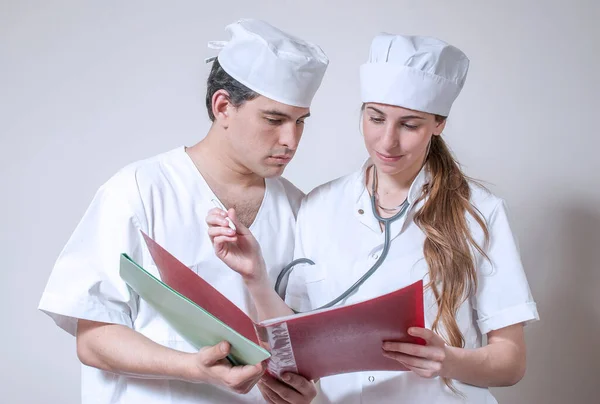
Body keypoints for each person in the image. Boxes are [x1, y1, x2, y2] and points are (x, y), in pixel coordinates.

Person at [207, 33, 539, 403]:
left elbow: (511, 363)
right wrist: (256, 276)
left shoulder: (479, 212)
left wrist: (447, 360)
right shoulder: (319, 206)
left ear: (439, 123)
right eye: (375, 118)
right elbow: (297, 337)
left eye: (409, 125)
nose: (386, 141)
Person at [38, 18, 328, 404]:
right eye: (274, 120)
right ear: (223, 106)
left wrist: (303, 386)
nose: (290, 140)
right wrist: (192, 367)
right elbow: (93, 340)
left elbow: (304, 342)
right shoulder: (140, 190)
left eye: (300, 122)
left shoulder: (297, 208)